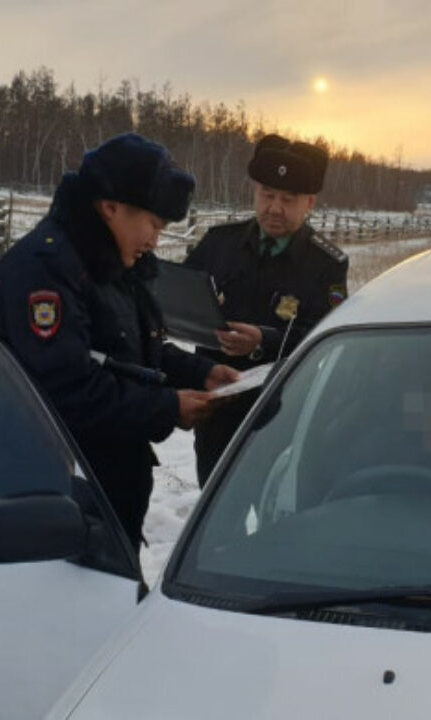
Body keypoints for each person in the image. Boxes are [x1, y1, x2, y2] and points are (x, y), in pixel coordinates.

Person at [0, 133, 238, 549]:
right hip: (49, 500)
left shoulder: (112, 260)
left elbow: (128, 349)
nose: (156, 240)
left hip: (105, 492)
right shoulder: (45, 270)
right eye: (154, 225)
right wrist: (166, 407)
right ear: (110, 207)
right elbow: (64, 392)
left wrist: (201, 371)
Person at [184, 134, 349, 487]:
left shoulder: (326, 265)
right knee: (214, 502)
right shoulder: (219, 243)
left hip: (282, 408)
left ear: (309, 203)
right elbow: (180, 297)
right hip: (218, 404)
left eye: (288, 199)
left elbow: (327, 335)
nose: (275, 208)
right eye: (267, 195)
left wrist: (264, 341)